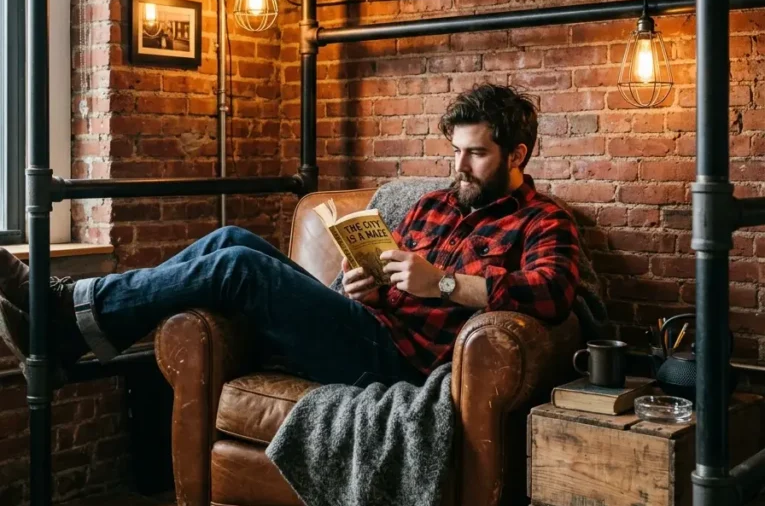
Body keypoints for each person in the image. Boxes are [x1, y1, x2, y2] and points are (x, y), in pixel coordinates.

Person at [0, 84, 580, 388]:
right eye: (454, 150)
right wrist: (368, 286)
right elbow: (387, 281)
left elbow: (554, 294)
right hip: (364, 324)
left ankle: (63, 311)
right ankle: (65, 332)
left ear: (517, 153)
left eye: (476, 153)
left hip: (399, 363)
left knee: (238, 270)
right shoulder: (430, 205)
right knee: (230, 237)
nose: (458, 166)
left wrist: (446, 282)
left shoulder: (542, 220)